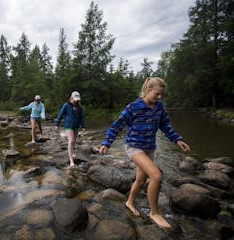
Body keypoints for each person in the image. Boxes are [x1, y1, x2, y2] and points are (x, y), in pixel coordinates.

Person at [99, 77, 190, 229]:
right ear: (147, 91)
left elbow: (166, 126)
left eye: (162, 95)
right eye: (157, 94)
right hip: (134, 147)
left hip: (149, 147)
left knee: (141, 180)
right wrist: (106, 143)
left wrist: (177, 140)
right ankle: (154, 213)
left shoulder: (159, 107)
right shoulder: (133, 107)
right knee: (156, 176)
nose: (159, 97)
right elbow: (116, 126)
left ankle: (129, 202)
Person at [55, 91, 86, 167]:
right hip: (68, 125)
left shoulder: (80, 107)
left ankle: (72, 152)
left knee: (74, 141)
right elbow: (60, 114)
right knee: (71, 140)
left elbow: (82, 117)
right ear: (71, 98)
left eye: (77, 100)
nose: (75, 101)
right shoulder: (66, 105)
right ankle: (71, 160)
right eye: (74, 99)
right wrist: (57, 124)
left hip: (76, 126)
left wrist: (83, 126)